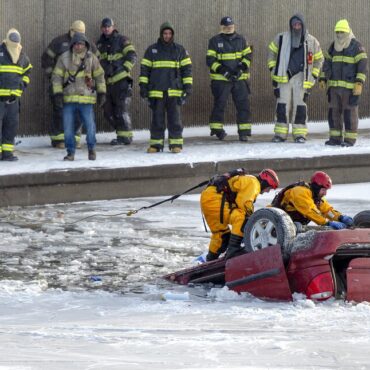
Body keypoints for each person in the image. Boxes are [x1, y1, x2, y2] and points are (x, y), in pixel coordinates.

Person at [200, 168, 280, 261]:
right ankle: (233, 250)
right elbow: (244, 204)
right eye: (269, 188)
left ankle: (209, 260)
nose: (267, 191)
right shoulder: (254, 183)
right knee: (242, 217)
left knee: (222, 236)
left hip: (208, 198)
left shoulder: (248, 180)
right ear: (265, 183)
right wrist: (253, 222)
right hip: (215, 199)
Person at [41, 20, 98, 149]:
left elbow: (96, 62)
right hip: (61, 85)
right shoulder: (59, 42)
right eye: (75, 32)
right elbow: (46, 59)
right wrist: (52, 76)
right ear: (70, 30)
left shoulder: (89, 44)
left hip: (80, 86)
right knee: (59, 110)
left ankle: (75, 139)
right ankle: (58, 139)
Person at [268, 13, 323, 143]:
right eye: (294, 24)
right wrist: (273, 70)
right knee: (282, 106)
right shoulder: (281, 38)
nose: (296, 27)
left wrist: (313, 75)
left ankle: (300, 134)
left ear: (303, 25)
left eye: (299, 24)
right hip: (283, 78)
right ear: (290, 25)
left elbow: (319, 59)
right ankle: (280, 134)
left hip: (302, 79)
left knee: (300, 107)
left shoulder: (312, 41)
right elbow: (271, 54)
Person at [51, 32, 106, 161]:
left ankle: (92, 149)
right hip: (69, 99)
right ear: (72, 45)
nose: (78, 46)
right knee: (68, 128)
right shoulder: (64, 58)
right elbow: (56, 77)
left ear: (85, 44)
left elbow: (99, 76)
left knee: (90, 126)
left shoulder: (91, 58)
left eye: (80, 44)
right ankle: (70, 152)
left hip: (86, 100)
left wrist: (102, 92)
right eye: (75, 43)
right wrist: (58, 93)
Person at [139, 22, 192, 153]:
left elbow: (187, 70)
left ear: (172, 34)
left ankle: (176, 145)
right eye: (165, 33)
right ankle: (156, 145)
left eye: (169, 33)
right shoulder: (152, 50)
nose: (167, 36)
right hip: (157, 92)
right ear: (161, 34)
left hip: (174, 91)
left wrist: (188, 88)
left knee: (175, 120)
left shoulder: (180, 50)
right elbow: (145, 70)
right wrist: (143, 88)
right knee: (157, 120)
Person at [319, 19, 368, 147]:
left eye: (342, 32)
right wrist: (323, 78)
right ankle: (335, 138)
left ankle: (349, 140)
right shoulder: (333, 46)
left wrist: (359, 82)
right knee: (333, 113)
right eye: (337, 32)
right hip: (334, 89)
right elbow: (327, 64)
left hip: (350, 89)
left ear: (348, 32)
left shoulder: (356, 46)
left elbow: (362, 66)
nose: (340, 34)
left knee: (349, 113)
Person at [206, 16, 252, 141]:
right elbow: (210, 59)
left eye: (230, 27)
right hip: (221, 80)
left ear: (234, 26)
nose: (228, 29)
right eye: (225, 27)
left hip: (239, 79)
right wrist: (222, 70)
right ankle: (217, 130)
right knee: (220, 105)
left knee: (243, 105)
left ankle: (244, 132)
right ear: (221, 27)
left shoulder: (241, 40)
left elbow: (248, 56)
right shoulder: (214, 41)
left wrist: (241, 68)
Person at [96, 17, 137, 145]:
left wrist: (122, 68)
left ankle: (125, 137)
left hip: (121, 82)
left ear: (113, 27)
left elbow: (132, 55)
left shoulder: (122, 40)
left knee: (121, 110)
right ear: (101, 28)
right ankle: (120, 133)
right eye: (104, 27)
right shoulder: (99, 44)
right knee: (108, 111)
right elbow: (95, 62)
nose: (106, 29)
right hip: (107, 83)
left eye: (108, 26)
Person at [271, 171, 354, 229]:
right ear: (317, 187)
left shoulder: (316, 197)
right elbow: (310, 211)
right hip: (274, 222)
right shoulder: (300, 192)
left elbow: (327, 211)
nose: (325, 193)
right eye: (324, 190)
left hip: (290, 224)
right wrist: (327, 223)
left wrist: (340, 217)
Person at [0, 28, 32, 161]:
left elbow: (27, 72)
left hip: (13, 100)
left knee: (11, 126)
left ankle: (7, 153)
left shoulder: (22, 56)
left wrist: (22, 84)